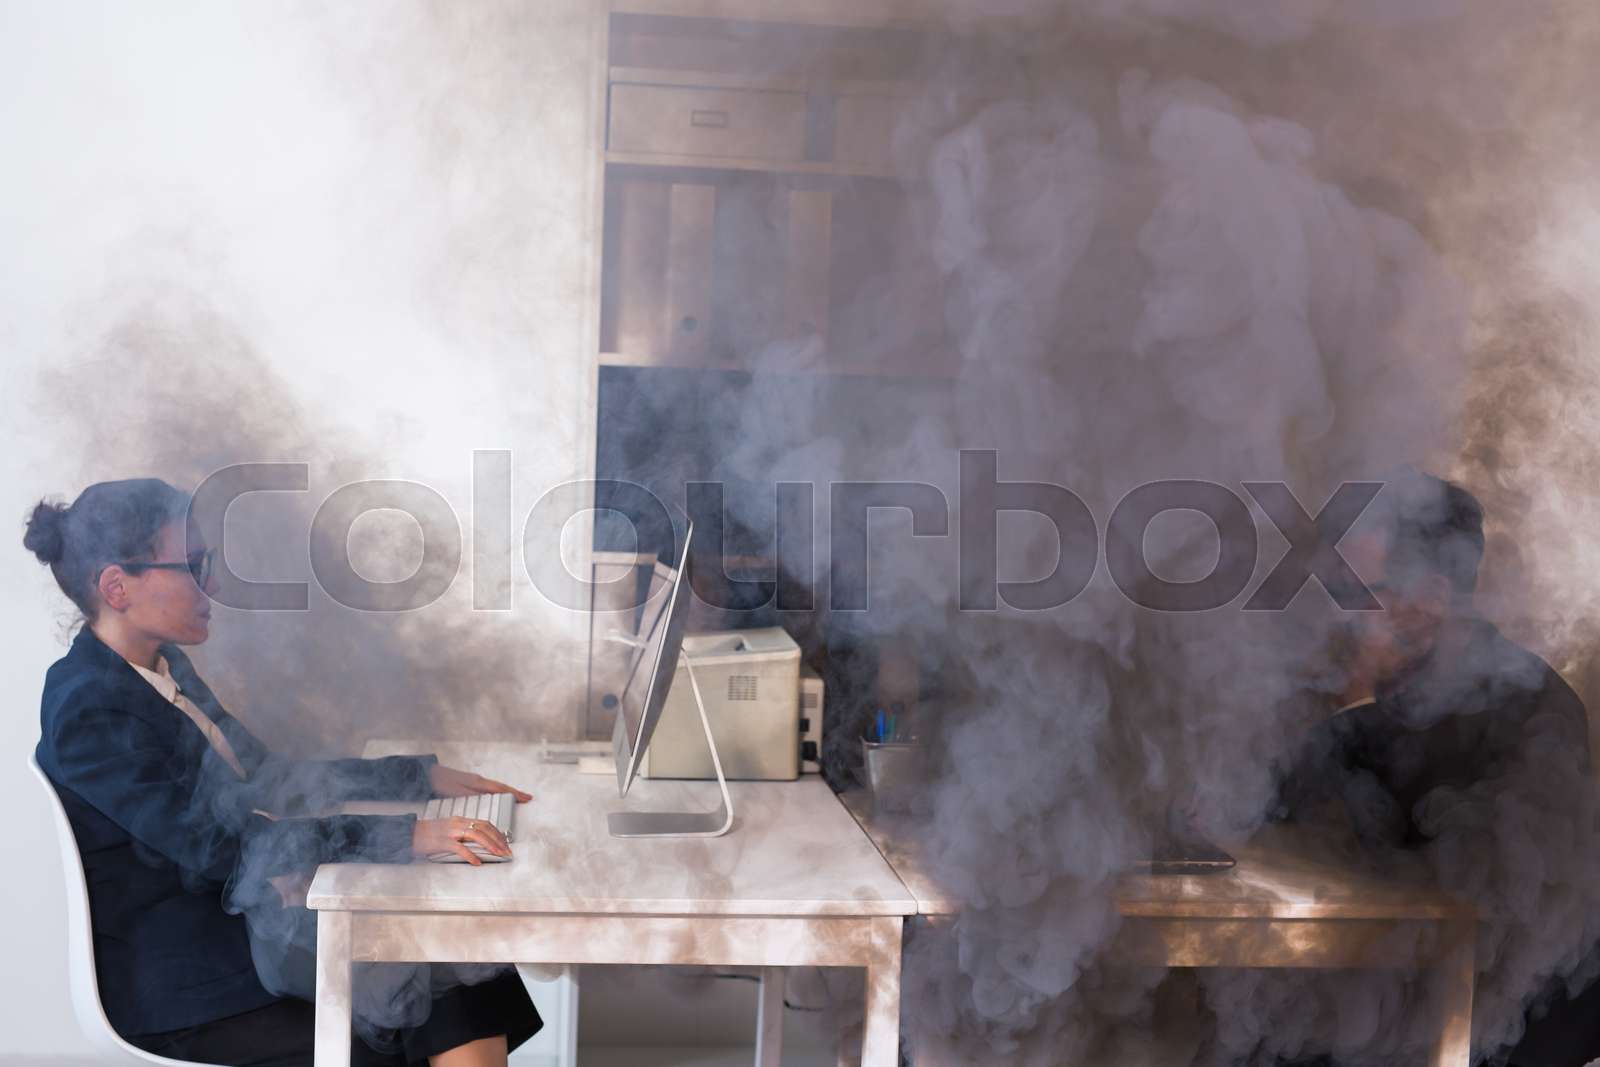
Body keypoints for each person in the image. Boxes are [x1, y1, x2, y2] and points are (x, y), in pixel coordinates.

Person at [25, 478, 543, 1067]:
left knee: (462, 965)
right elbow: (225, 850)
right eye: (194, 565)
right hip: (190, 989)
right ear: (117, 587)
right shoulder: (88, 709)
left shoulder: (165, 668)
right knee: (443, 986)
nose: (213, 583)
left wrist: (416, 778)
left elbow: (270, 777)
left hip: (243, 934)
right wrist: (405, 835)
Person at [1276, 472, 1598, 1066]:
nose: (1333, 617)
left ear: (1428, 601)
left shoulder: (1530, 712)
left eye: (1354, 593)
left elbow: (1482, 922)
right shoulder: (1369, 715)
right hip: (1390, 1003)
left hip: (1500, 1024)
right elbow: (1278, 805)